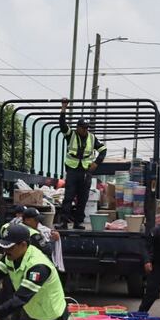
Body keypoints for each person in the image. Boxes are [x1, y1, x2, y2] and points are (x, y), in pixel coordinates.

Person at [56, 98, 106, 229]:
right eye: (83, 128)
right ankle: (64, 222)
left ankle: (78, 222)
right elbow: (62, 125)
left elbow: (103, 150)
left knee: (82, 198)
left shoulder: (92, 137)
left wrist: (96, 163)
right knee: (68, 197)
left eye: (86, 128)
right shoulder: (70, 134)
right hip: (72, 170)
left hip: (86, 172)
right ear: (77, 127)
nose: (85, 130)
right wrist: (63, 108)